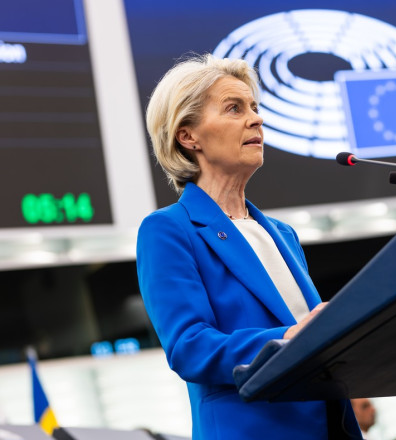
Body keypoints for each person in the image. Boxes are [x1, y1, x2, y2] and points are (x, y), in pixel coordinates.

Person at [136, 54, 361, 439]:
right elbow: (189, 347)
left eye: (255, 107)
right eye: (234, 108)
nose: (256, 118)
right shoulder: (168, 230)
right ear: (187, 136)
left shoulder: (282, 234)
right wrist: (286, 339)